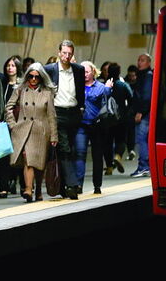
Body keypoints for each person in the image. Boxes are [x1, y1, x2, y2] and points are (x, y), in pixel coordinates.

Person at [6, 64, 57, 202]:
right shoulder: (20, 90)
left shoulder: (47, 92)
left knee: (40, 163)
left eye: (36, 77)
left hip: (41, 131)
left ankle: (38, 189)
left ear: (41, 77)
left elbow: (51, 115)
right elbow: (9, 107)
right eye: (31, 76)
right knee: (27, 158)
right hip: (23, 129)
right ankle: (28, 189)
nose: (33, 79)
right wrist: (13, 125)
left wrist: (54, 135)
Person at [44, 40, 86, 199]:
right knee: (65, 149)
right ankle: (73, 185)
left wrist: (81, 108)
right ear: (59, 52)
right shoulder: (49, 70)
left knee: (73, 150)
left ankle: (63, 186)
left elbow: (81, 91)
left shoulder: (79, 69)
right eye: (64, 53)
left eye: (70, 53)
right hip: (57, 113)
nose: (67, 56)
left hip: (74, 113)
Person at [75, 62, 114, 195]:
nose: (84, 74)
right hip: (81, 124)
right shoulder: (76, 86)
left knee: (97, 156)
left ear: (93, 72)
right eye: (82, 72)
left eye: (87, 72)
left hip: (97, 125)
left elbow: (106, 99)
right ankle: (78, 184)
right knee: (80, 154)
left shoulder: (101, 87)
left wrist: (108, 89)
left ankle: (97, 185)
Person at [0, 56, 23, 198]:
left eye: (13, 65)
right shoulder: (2, 83)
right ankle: (3, 187)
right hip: (4, 124)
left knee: (18, 154)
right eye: (8, 65)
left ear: (18, 68)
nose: (10, 68)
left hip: (19, 124)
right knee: (3, 156)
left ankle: (18, 181)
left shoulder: (22, 85)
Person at [104, 63, 133, 175]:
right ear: (119, 72)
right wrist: (128, 112)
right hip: (121, 117)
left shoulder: (104, 85)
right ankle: (118, 156)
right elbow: (131, 98)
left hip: (107, 118)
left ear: (108, 72)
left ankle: (109, 167)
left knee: (107, 142)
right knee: (121, 140)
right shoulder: (123, 85)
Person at [130, 53, 154, 178]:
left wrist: (141, 111)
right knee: (144, 139)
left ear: (149, 63)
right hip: (145, 112)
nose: (139, 62)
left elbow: (147, 96)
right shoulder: (143, 75)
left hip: (144, 113)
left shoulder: (147, 76)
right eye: (139, 60)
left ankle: (143, 166)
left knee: (141, 139)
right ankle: (146, 166)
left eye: (143, 60)